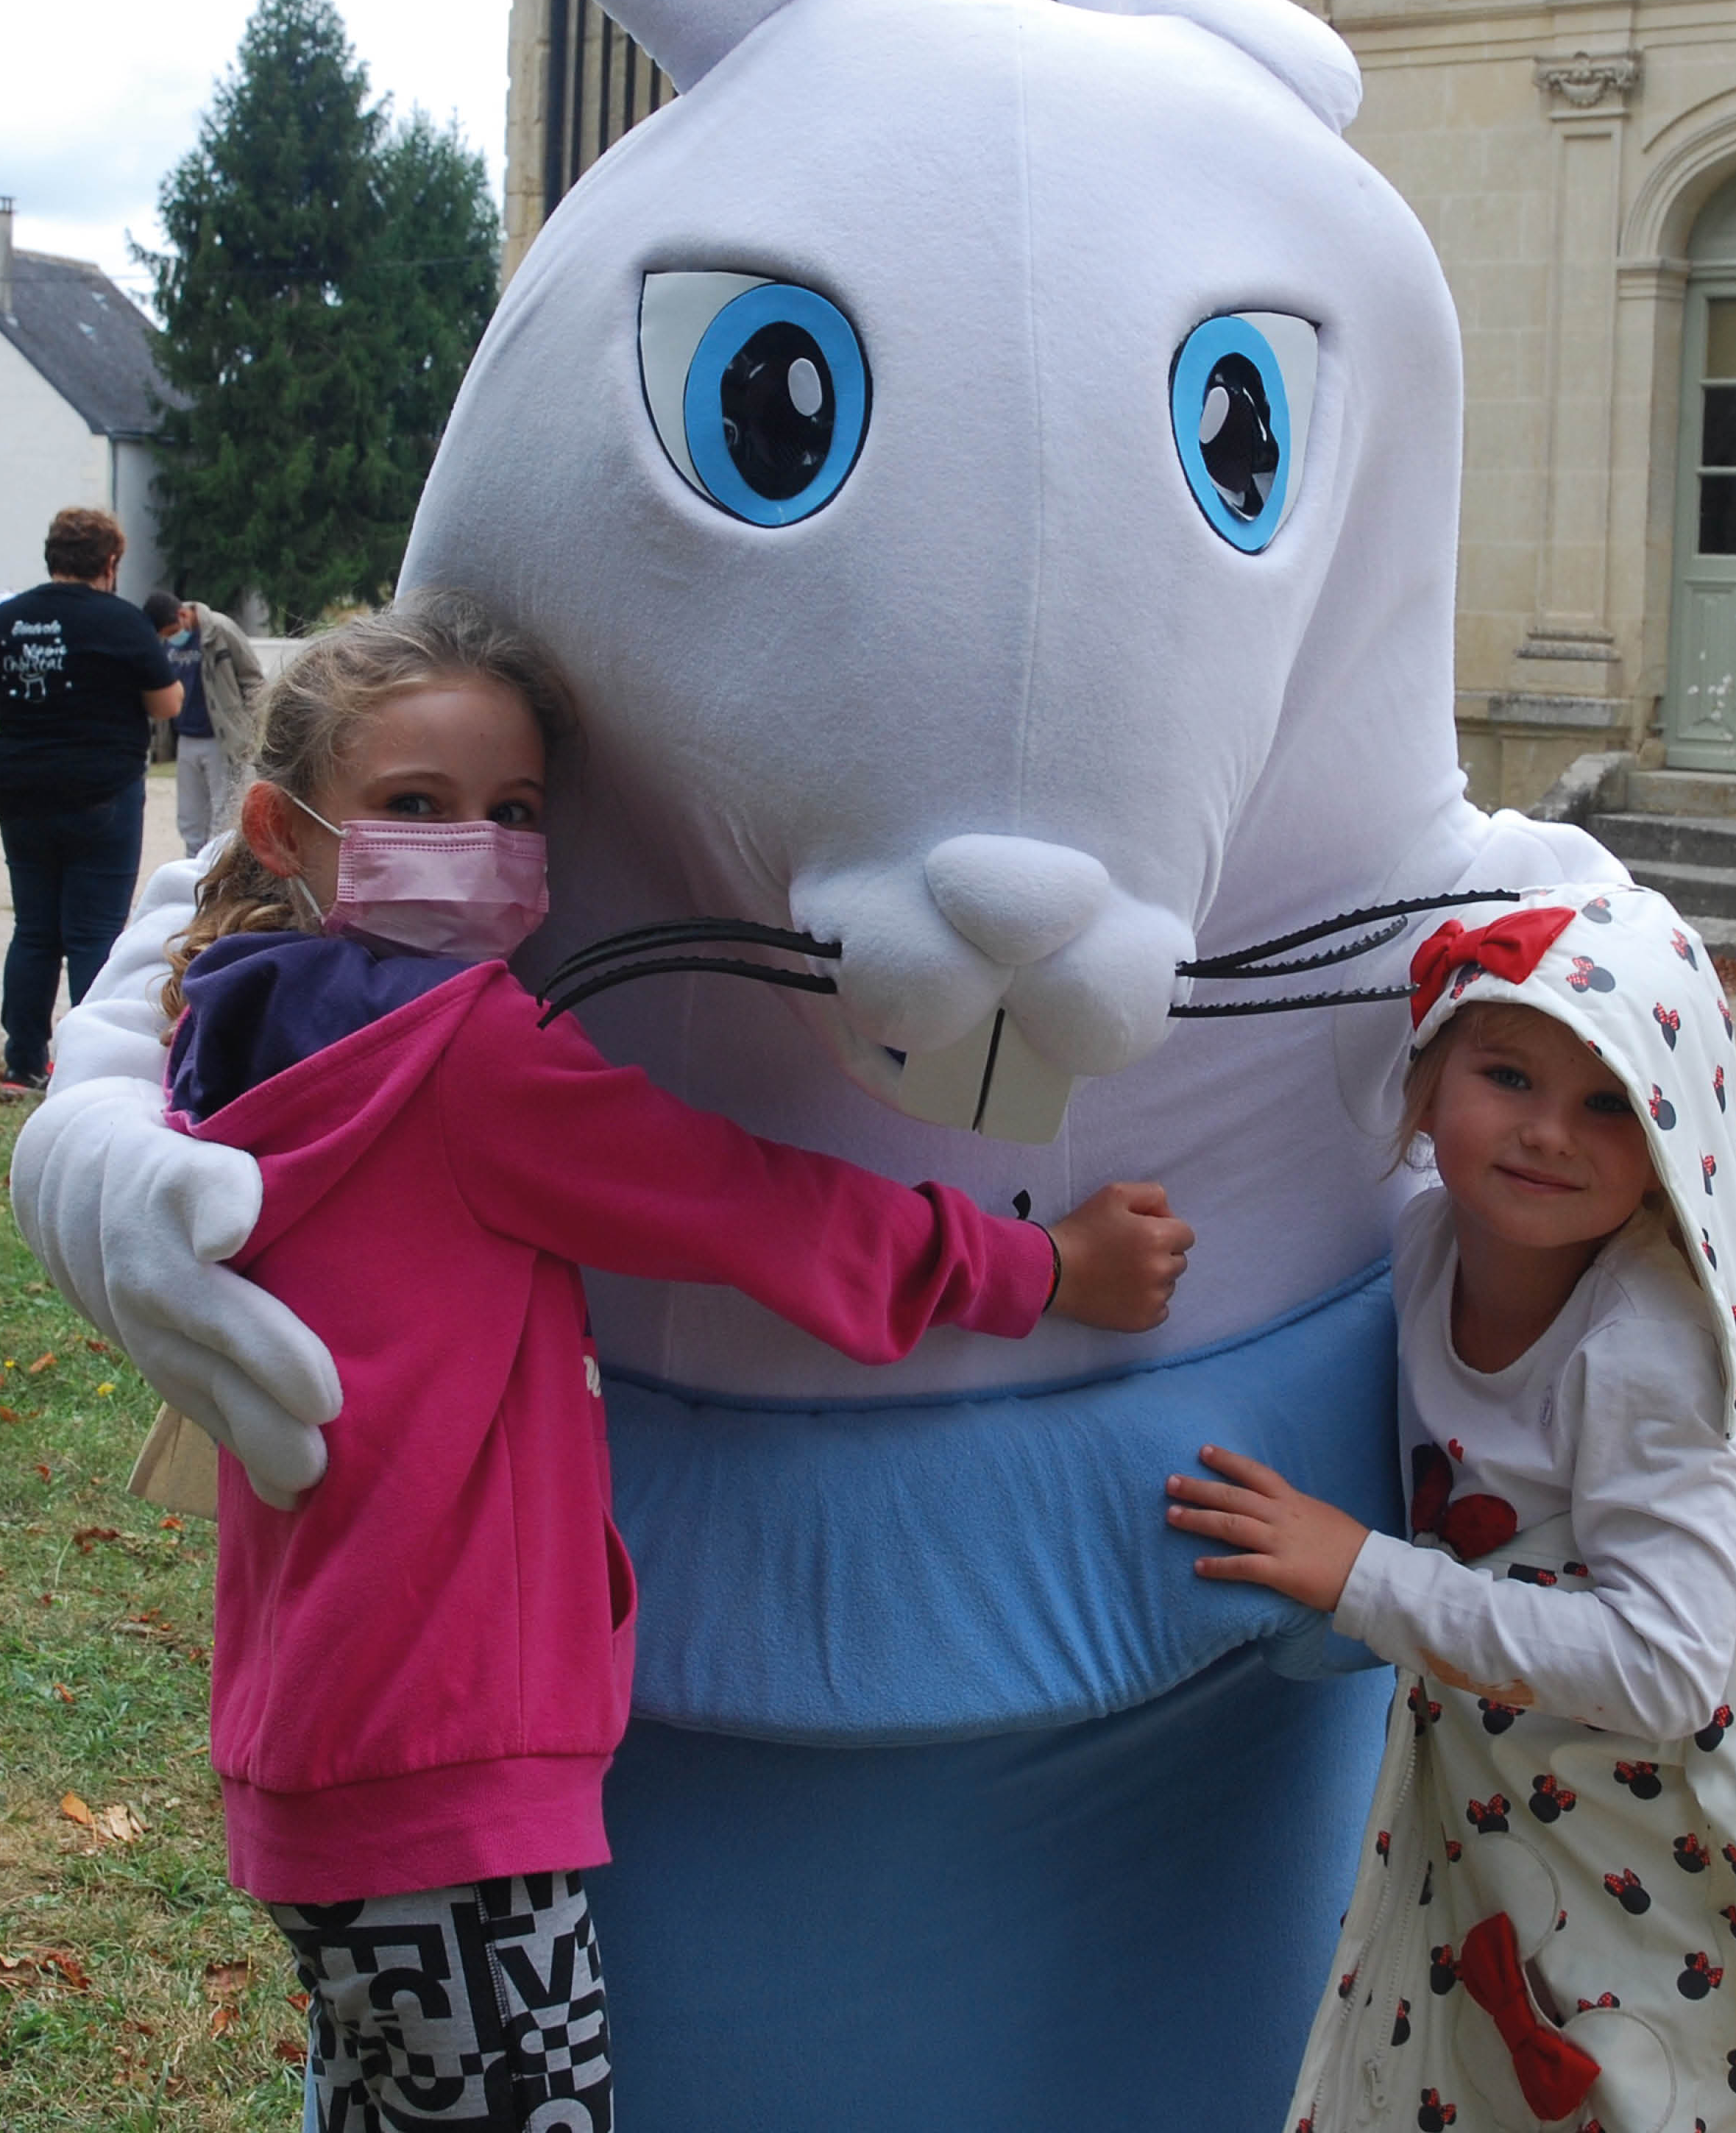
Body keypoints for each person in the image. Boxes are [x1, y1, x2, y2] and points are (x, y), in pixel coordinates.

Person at [157, 590, 1198, 2133]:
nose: (478, 845)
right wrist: (1044, 1266)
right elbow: (746, 1207)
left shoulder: (245, 1031)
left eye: (513, 812)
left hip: (319, 1738)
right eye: (415, 808)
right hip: (448, 1776)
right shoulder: (462, 1056)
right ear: (285, 827)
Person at [1168, 885, 1736, 2132]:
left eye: (1606, 1100)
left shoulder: (1641, 1343)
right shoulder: (1428, 1243)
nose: (1547, 1133)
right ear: (1422, 1081)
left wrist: (1363, 1575)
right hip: (1550, 1780)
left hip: (1709, 1802)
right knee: (1522, 2045)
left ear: (1671, 1137)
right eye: (1506, 1074)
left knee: (1704, 2065)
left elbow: (1663, 1668)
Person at [0, 507, 180, 1096]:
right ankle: (89, 1066)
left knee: (34, 929)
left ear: (50, 556)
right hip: (100, 789)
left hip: (21, 788)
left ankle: (22, 1062)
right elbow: (166, 703)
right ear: (110, 563)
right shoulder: (123, 624)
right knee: (94, 932)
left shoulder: (8, 620)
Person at [143, 590, 266, 857]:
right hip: (185, 737)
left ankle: (217, 873)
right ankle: (192, 875)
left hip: (221, 739)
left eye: (173, 630)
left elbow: (253, 679)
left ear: (183, 615)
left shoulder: (220, 630)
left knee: (223, 817)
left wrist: (250, 728)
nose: (172, 638)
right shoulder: (165, 644)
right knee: (190, 818)